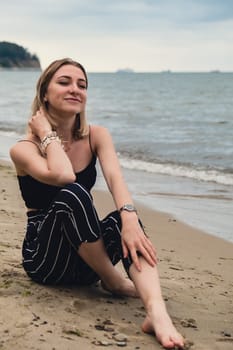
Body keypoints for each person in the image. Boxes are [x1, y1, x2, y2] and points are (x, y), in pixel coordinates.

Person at [10, 58, 184, 349]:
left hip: (87, 261)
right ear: (44, 94)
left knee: (124, 219)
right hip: (45, 259)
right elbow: (64, 175)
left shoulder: (97, 136)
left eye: (82, 84)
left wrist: (129, 219)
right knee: (74, 193)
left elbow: (116, 180)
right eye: (64, 82)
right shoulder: (23, 149)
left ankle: (157, 313)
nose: (75, 89)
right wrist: (46, 133)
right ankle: (114, 281)